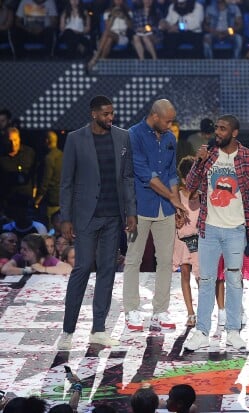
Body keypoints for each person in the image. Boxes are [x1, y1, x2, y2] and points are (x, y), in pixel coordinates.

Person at [183, 114, 249, 351]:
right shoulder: (208, 155)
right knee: (206, 281)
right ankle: (202, 331)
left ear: (234, 133)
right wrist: (197, 162)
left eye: (223, 129)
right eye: (217, 128)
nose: (218, 132)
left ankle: (233, 331)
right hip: (209, 229)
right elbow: (189, 188)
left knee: (234, 280)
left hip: (236, 229)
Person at [58, 95, 137, 350]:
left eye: (112, 113)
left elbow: (127, 178)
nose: (110, 118)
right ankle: (68, 331)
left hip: (113, 216)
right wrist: (66, 218)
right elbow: (67, 182)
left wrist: (131, 212)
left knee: (107, 271)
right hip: (86, 216)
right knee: (81, 268)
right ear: (94, 114)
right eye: (105, 114)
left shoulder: (123, 137)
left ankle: (99, 329)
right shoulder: (75, 139)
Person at [124, 99, 184, 332]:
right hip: (139, 208)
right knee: (133, 259)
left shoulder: (170, 138)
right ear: (155, 116)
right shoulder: (134, 135)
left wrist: (176, 203)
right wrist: (173, 198)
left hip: (165, 209)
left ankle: (160, 310)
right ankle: (132, 309)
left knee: (166, 261)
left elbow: (171, 173)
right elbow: (145, 174)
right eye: (167, 121)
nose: (170, 125)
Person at [173, 155, 201, 327]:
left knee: (200, 277)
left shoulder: (203, 195)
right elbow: (174, 217)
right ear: (183, 178)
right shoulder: (177, 195)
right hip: (182, 239)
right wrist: (177, 220)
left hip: (199, 240)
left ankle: (204, 309)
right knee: (185, 273)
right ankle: (190, 312)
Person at [87, 0, 132, 70]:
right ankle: (101, 61)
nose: (118, 1)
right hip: (111, 35)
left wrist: (124, 17)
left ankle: (95, 57)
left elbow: (130, 27)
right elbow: (107, 27)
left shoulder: (128, 12)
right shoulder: (107, 12)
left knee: (107, 33)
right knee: (109, 39)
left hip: (122, 37)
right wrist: (113, 17)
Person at [1, 233, 72, 275]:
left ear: (36, 250)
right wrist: (27, 270)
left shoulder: (48, 259)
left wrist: (43, 269)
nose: (22, 251)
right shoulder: (19, 257)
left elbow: (68, 269)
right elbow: (5, 269)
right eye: (21, 248)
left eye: (25, 249)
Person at [34, 131, 63, 225]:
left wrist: (37, 200)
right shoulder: (63, 155)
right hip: (63, 199)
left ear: (46, 141)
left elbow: (45, 182)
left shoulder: (49, 158)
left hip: (51, 200)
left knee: (50, 225)